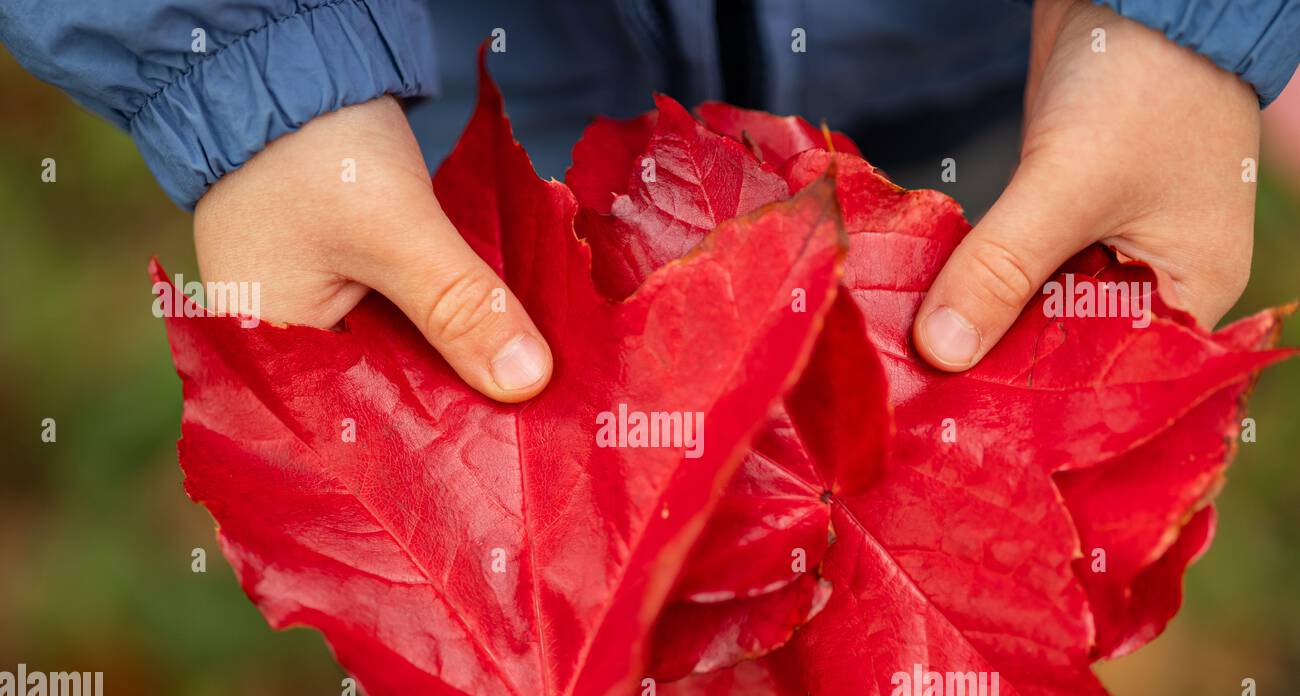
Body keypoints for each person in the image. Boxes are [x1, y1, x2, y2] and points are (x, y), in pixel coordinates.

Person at [2, 0, 1296, 401]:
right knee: (542, 369)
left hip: (968, 49)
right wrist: (247, 56)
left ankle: (878, 668)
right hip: (449, 75)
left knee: (951, 301)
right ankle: (595, 635)